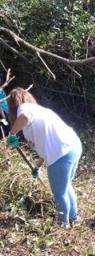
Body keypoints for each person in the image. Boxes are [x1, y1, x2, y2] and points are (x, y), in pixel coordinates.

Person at [6, 87, 82, 228]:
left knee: (59, 193)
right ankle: (73, 219)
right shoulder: (38, 113)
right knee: (65, 187)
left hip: (61, 152)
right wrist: (37, 166)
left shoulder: (25, 108)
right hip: (72, 146)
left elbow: (24, 117)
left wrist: (11, 134)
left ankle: (62, 224)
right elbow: (43, 147)